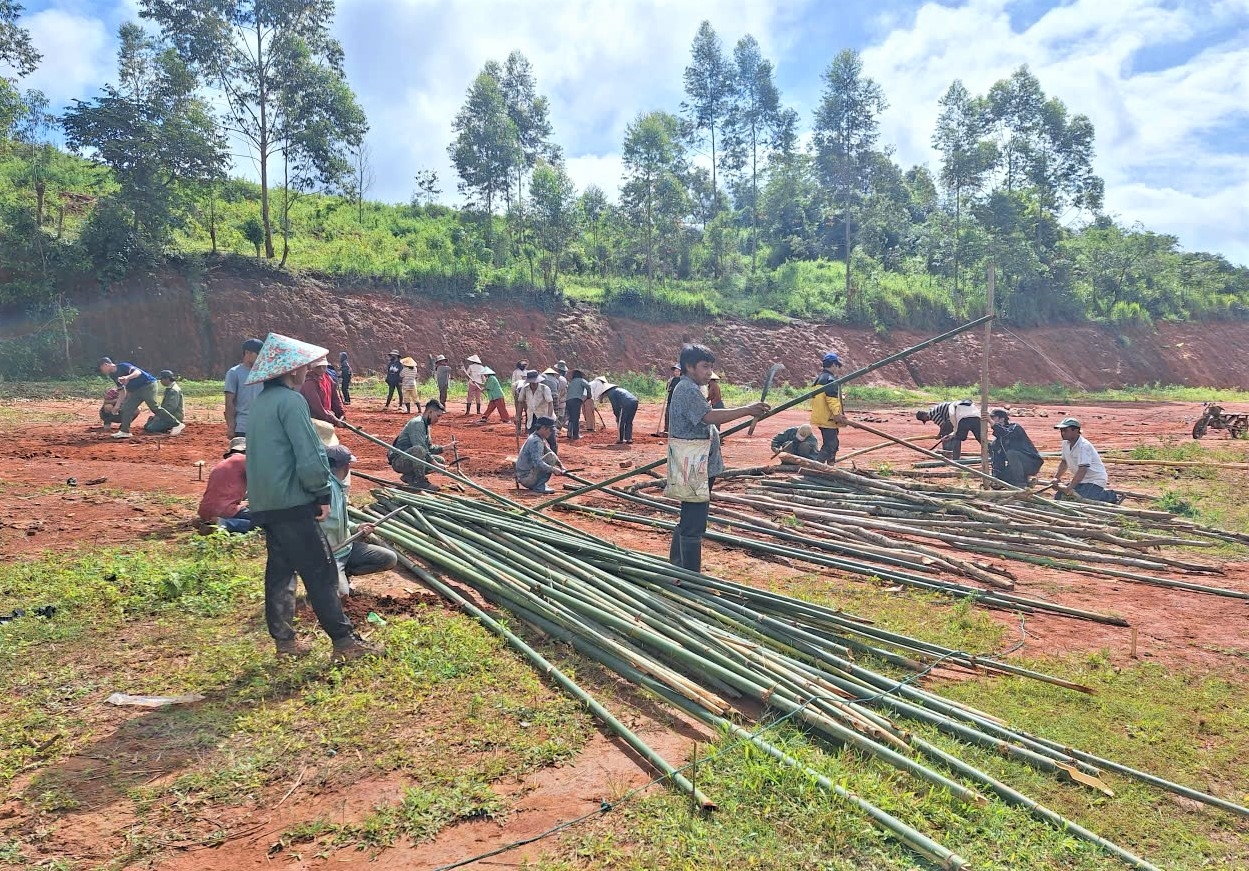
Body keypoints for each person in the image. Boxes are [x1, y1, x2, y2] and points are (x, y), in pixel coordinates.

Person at [244, 332, 378, 662]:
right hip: (292, 502)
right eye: (305, 367)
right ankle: (345, 643)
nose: (308, 371)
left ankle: (285, 641)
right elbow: (309, 453)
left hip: (266, 502)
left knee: (280, 571)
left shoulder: (260, 404)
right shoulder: (291, 402)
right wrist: (321, 492)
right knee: (320, 570)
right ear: (291, 372)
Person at [667, 343, 769, 572]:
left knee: (690, 517)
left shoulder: (694, 388)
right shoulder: (686, 389)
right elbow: (709, 416)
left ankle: (678, 566)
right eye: (704, 366)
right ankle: (689, 574)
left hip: (698, 463)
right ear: (689, 367)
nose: (708, 372)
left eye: (711, 366)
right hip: (693, 464)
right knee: (694, 520)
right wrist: (747, 410)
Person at [322, 445, 398, 596]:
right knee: (342, 596)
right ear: (345, 465)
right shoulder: (323, 490)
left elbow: (339, 521)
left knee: (389, 558)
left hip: (345, 549)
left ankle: (343, 574)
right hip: (329, 556)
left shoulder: (338, 487)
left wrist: (357, 527)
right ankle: (325, 580)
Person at [1051, 416, 1120, 503]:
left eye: (1065, 430)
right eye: (1061, 431)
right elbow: (1064, 462)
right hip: (1082, 480)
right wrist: (1056, 478)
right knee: (1059, 497)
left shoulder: (1084, 446)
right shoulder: (1065, 443)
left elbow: (1082, 470)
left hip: (1094, 479)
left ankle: (1108, 495)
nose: (1062, 433)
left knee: (1083, 499)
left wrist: (1070, 487)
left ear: (1075, 431)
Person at [388, 399, 447, 492]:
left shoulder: (425, 425)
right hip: (399, 461)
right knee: (419, 450)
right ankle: (420, 481)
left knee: (440, 460)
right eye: (438, 416)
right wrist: (435, 465)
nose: (438, 420)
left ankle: (409, 477)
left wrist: (445, 448)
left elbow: (428, 448)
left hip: (409, 458)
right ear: (430, 412)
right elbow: (421, 448)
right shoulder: (417, 423)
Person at [98, 357, 161, 440]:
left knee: (153, 406)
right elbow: (121, 391)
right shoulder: (113, 375)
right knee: (127, 408)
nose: (101, 371)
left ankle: (175, 423)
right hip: (137, 390)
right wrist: (117, 405)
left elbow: (138, 372)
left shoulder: (123, 366)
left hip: (148, 384)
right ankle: (125, 431)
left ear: (106, 365)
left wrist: (127, 377)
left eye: (101, 369)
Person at [198, 437, 252, 533]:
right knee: (265, 522)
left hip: (205, 510)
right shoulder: (244, 460)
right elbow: (261, 484)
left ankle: (207, 523)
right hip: (225, 509)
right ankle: (224, 523)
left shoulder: (222, 465)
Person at [989, 408, 1044, 487]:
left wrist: (992, 423)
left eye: (993, 418)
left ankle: (1020, 483)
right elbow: (997, 461)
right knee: (1001, 477)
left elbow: (1006, 433)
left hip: (1031, 463)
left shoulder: (1015, 428)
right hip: (1016, 466)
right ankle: (1027, 481)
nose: (991, 421)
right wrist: (996, 478)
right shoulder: (996, 442)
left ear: (1002, 419)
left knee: (1012, 453)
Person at [811, 352, 848, 463]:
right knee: (830, 445)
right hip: (828, 418)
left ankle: (830, 467)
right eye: (837, 366)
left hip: (821, 417)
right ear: (833, 364)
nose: (837, 369)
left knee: (834, 444)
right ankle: (815, 468)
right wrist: (837, 414)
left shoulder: (819, 379)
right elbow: (831, 399)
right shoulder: (830, 380)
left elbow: (821, 397)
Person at [225, 338, 264, 439]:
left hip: (264, 427)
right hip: (242, 427)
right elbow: (229, 402)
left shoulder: (265, 373)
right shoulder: (234, 373)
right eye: (259, 354)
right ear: (248, 353)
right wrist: (231, 427)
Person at [917, 399, 982, 460]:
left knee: (952, 435)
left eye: (924, 420)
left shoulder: (931, 414)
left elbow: (943, 425)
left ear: (924, 416)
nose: (927, 420)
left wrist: (940, 435)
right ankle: (990, 451)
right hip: (973, 416)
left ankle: (949, 454)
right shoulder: (933, 410)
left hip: (960, 417)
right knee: (980, 437)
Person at [516, 417, 566, 494]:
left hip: (524, 475)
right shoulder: (536, 442)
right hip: (527, 478)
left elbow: (550, 452)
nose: (551, 433)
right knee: (551, 458)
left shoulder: (536, 437)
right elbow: (538, 463)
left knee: (551, 456)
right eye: (550, 430)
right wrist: (553, 469)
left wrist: (560, 465)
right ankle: (539, 486)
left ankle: (539, 485)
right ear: (543, 428)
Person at [301, 357, 345, 426]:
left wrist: (340, 413)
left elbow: (335, 398)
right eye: (318, 367)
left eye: (324, 366)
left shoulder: (327, 378)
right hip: (314, 421)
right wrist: (333, 419)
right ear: (311, 367)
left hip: (326, 418)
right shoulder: (309, 382)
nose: (322, 369)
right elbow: (316, 406)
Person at [593, 377, 639, 444]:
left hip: (626, 403)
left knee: (621, 422)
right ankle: (629, 438)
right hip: (634, 402)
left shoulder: (611, 393)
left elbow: (615, 406)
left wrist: (617, 415)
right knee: (629, 421)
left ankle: (620, 439)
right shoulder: (617, 390)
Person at [522, 370, 557, 452]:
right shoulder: (525, 389)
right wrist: (518, 415)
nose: (534, 384)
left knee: (552, 441)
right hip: (532, 417)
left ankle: (554, 458)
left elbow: (550, 403)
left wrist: (549, 418)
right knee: (533, 440)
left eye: (535, 382)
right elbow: (520, 402)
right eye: (532, 382)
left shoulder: (545, 388)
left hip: (544, 416)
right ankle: (535, 457)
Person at [143, 369, 186, 435]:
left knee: (150, 428)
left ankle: (175, 425)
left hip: (173, 417)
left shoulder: (173, 390)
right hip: (169, 415)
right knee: (148, 425)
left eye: (161, 379)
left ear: (167, 379)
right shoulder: (171, 388)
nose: (160, 381)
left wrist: (160, 416)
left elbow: (171, 407)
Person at [565, 369, 590, 440]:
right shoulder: (581, 380)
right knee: (576, 418)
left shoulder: (571, 382)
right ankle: (576, 435)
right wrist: (589, 395)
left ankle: (569, 433)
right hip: (576, 400)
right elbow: (588, 386)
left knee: (571, 418)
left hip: (568, 400)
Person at [661, 364, 681, 434]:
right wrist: (668, 385)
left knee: (676, 416)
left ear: (681, 372)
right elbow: (668, 389)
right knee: (667, 415)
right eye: (675, 371)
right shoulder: (671, 380)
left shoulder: (682, 381)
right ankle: (666, 430)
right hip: (670, 400)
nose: (676, 372)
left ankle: (675, 431)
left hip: (678, 402)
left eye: (678, 371)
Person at [511, 359, 529, 432]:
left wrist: (514, 394)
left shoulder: (526, 372)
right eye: (523, 365)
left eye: (525, 365)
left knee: (519, 412)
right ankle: (526, 429)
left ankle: (520, 429)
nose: (524, 366)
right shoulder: (516, 372)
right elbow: (513, 384)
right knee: (526, 412)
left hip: (519, 394)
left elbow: (513, 385)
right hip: (521, 394)